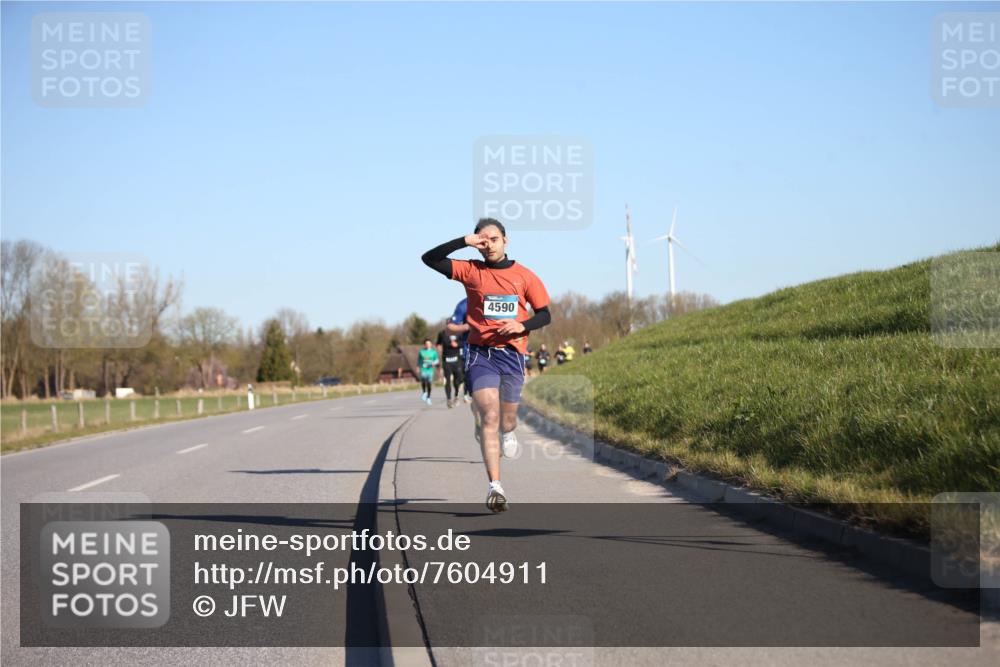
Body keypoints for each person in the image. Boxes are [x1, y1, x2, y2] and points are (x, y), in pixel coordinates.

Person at [422, 218, 552, 512]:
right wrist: (463, 241)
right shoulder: (471, 271)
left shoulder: (525, 276)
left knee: (507, 420)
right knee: (488, 414)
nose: (488, 244)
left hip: (512, 355)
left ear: (506, 240)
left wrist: (522, 326)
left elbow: (545, 314)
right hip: (481, 354)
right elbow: (429, 259)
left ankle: (509, 431)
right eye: (483, 240)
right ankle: (495, 486)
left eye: (493, 239)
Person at [445, 298, 473, 403]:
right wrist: (467, 326)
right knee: (479, 395)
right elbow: (450, 328)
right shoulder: (464, 304)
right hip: (472, 353)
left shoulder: (502, 297)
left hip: (499, 351)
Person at [437, 328, 465, 408]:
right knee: (447, 380)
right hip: (446, 360)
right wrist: (438, 347)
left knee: (458, 380)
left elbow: (464, 343)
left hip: (456, 360)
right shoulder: (442, 333)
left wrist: (457, 344)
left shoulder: (459, 333)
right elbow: (438, 343)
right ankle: (449, 399)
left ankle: (456, 395)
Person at [417, 339, 438, 405]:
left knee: (429, 383)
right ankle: (424, 393)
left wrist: (433, 363)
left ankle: (428, 397)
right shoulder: (421, 352)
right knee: (423, 380)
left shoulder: (433, 352)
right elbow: (419, 360)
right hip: (423, 369)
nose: (428, 345)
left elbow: (436, 360)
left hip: (430, 370)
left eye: (429, 343)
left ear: (431, 344)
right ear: (424, 345)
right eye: (426, 344)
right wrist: (417, 367)